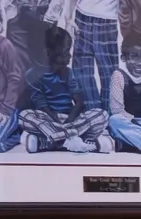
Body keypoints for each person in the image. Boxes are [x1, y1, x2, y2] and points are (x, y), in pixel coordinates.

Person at [18, 24, 111, 153]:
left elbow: (79, 102)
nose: (70, 56)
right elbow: (41, 105)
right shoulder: (32, 74)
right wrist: (56, 120)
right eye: (66, 52)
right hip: (49, 118)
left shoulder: (68, 72)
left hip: (71, 119)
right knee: (24, 116)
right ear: (48, 53)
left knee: (102, 115)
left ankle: (53, 142)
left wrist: (70, 120)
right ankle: (75, 141)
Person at [49, 0, 121, 112]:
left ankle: (110, 115)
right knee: (81, 71)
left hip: (108, 18)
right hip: (83, 15)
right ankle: (92, 114)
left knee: (109, 73)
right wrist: (68, 19)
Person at [0, 31, 23, 151]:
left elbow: (15, 79)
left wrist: (5, 110)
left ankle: (13, 133)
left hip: (4, 107)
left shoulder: (4, 45)